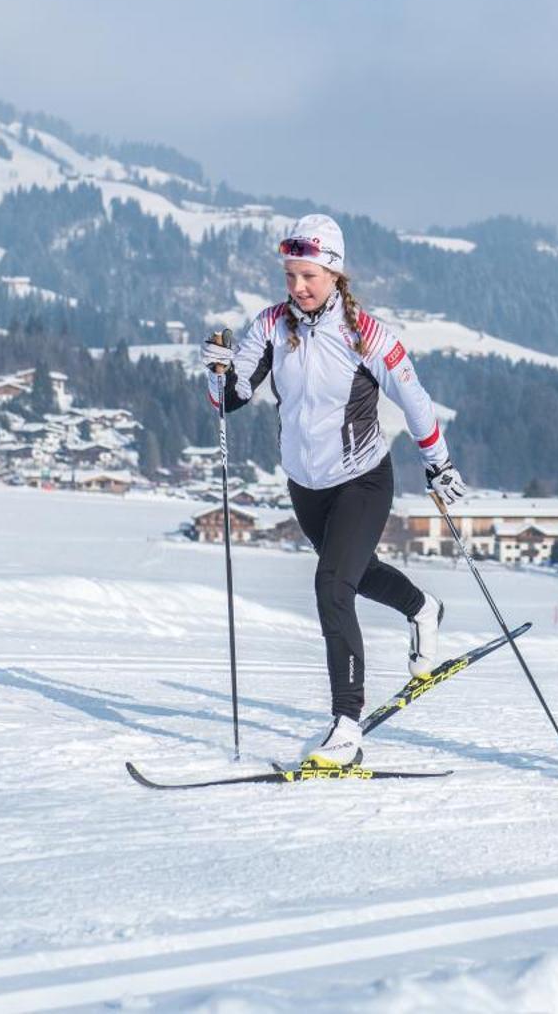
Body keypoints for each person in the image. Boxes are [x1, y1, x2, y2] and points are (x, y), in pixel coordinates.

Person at [203, 214, 470, 769]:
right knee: (355, 571)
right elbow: (232, 399)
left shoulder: (366, 335)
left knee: (331, 585)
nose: (298, 287)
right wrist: (217, 373)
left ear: (334, 273)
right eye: (291, 276)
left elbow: (415, 401)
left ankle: (346, 725)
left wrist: (437, 464)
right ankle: (423, 608)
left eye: (309, 275)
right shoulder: (271, 326)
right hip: (307, 486)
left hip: (363, 481)